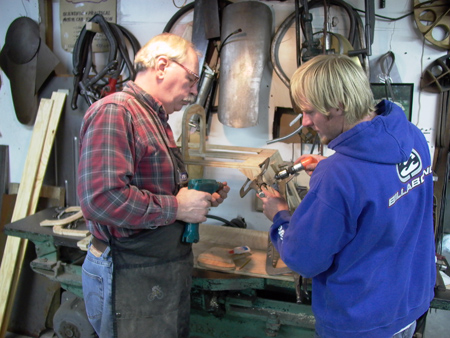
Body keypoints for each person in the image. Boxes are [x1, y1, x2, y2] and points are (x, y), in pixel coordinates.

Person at [258, 54, 435, 338]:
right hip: (408, 303)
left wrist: (279, 215)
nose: (305, 121)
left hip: (360, 320)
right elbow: (382, 195)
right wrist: (327, 172)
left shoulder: (340, 174)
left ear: (338, 106)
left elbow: (304, 259)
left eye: (310, 111)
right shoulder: (412, 137)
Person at [77, 32, 230, 338]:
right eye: (191, 79)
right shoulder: (117, 112)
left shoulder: (154, 117)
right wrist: (177, 207)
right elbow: (101, 199)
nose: (194, 90)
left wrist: (197, 199)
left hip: (156, 272)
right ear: (162, 66)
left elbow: (155, 188)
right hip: (128, 272)